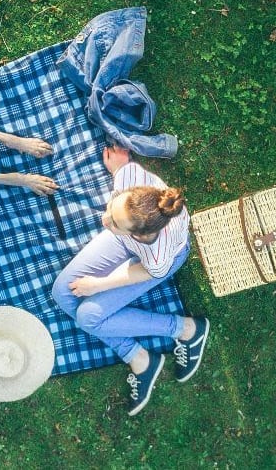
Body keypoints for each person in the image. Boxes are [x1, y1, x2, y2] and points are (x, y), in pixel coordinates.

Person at [51, 145, 212, 416]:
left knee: (88, 317)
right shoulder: (131, 182)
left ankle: (186, 330)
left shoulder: (158, 254)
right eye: (111, 208)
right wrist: (119, 167)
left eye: (113, 221)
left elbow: (145, 271)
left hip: (150, 264)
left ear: (138, 234)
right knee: (62, 292)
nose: (104, 220)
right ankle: (139, 358)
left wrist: (97, 285)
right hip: (126, 243)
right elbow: (124, 175)